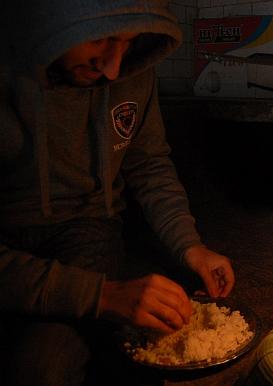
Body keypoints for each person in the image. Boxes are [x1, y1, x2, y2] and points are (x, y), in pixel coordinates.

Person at [0, 1, 235, 385]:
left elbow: (149, 165)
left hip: (88, 231)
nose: (112, 67)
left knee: (41, 368)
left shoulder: (131, 71)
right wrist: (102, 296)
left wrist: (190, 246)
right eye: (103, 38)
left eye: (128, 41)